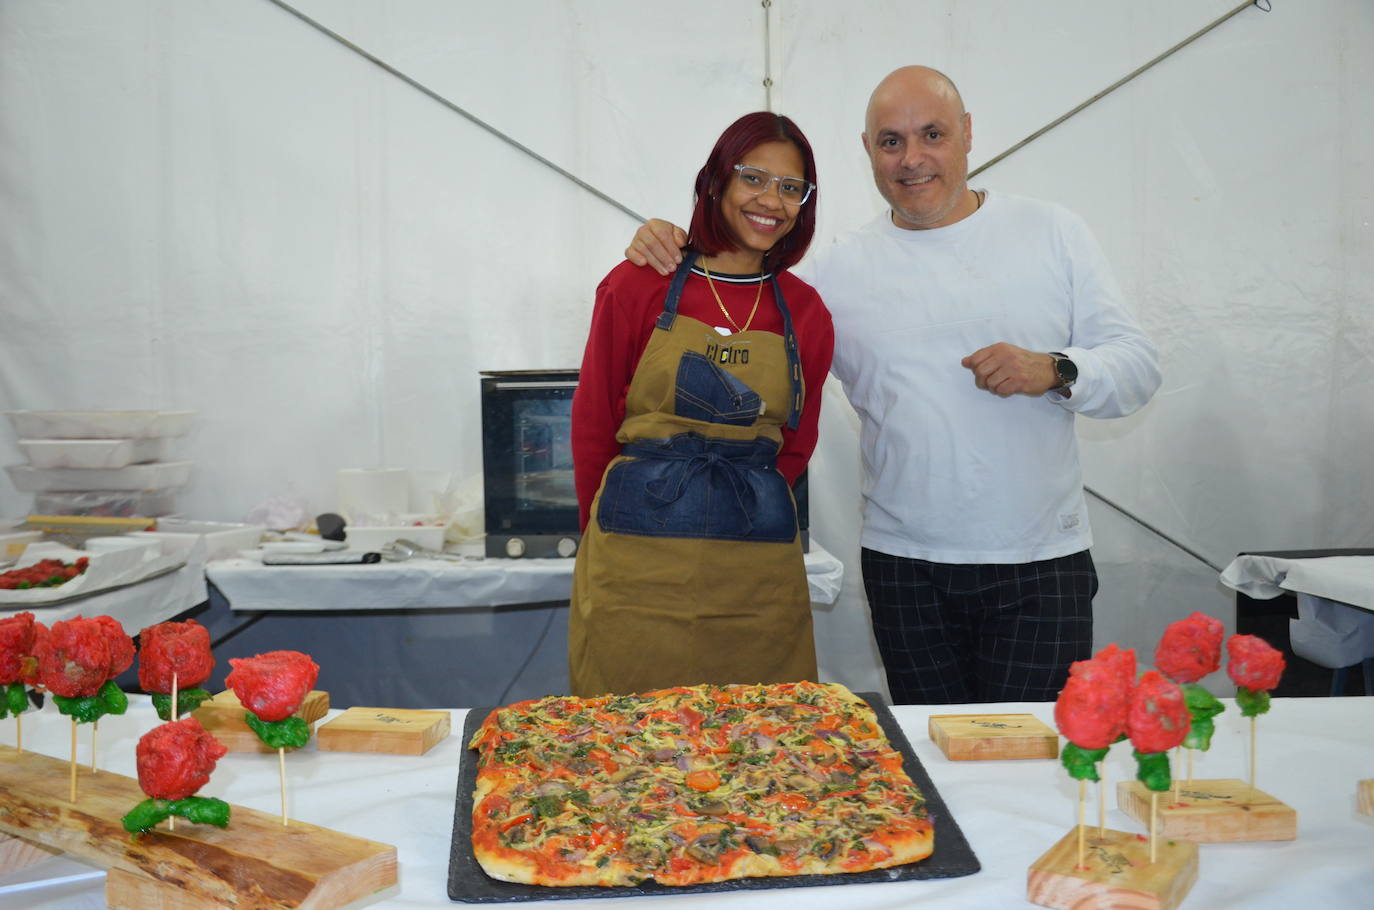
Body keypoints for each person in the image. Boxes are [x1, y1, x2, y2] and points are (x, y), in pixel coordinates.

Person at [627, 66, 1161, 704]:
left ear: (967, 135)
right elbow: (730, 305)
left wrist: (1056, 368)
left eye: (931, 134)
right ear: (867, 151)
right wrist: (672, 244)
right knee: (932, 768)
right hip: (905, 566)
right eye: (891, 142)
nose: (912, 159)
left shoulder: (1052, 232)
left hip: (1041, 561)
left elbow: (1137, 364)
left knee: (1030, 765)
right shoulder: (835, 272)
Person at [569, 111, 835, 698]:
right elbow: (593, 422)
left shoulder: (806, 311)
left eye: (791, 188)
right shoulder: (639, 284)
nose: (772, 200)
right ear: (716, 182)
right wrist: (600, 538)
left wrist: (728, 501)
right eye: (754, 177)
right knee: (627, 745)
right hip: (635, 566)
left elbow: (797, 442)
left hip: (755, 573)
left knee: (765, 743)